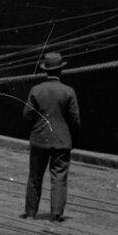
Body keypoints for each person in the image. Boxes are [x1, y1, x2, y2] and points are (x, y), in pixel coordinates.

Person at [21, 50, 81, 222]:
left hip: (40, 139)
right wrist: (72, 139)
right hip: (62, 141)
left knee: (35, 176)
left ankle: (31, 213)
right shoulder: (68, 91)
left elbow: (27, 115)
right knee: (59, 177)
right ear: (60, 70)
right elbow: (75, 120)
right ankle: (56, 213)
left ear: (45, 71)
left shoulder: (36, 90)